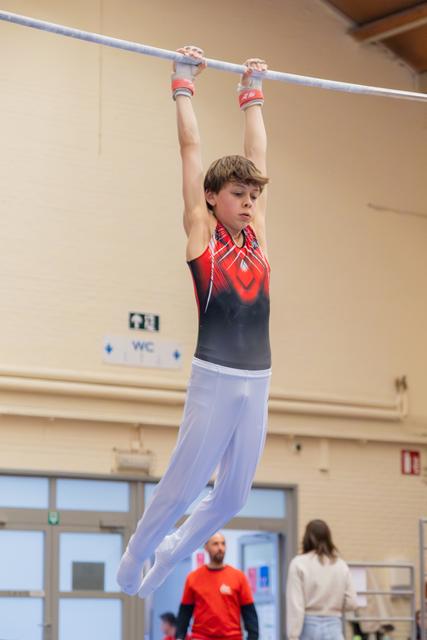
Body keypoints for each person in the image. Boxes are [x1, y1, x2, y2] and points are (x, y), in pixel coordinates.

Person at [117, 45, 271, 599]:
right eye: (238, 194)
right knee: (183, 488)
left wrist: (251, 94)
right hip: (215, 377)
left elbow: (256, 156)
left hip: (259, 381)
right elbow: (191, 150)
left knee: (233, 498)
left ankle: (168, 558)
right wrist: (183, 83)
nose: (249, 202)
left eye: (254, 195)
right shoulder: (202, 238)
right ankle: (136, 553)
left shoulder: (257, 236)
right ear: (211, 199)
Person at [176, 532, 259, 640]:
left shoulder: (239, 577)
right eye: (215, 544)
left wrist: (253, 637)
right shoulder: (193, 578)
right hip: (201, 636)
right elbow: (185, 613)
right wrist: (179, 637)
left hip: (232, 637)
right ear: (206, 547)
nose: (220, 548)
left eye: (223, 544)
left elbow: (249, 613)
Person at [286, 519, 359, 640]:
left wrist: (293, 635)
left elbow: (296, 605)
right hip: (334, 625)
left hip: (308, 626)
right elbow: (352, 603)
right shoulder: (341, 565)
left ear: (306, 538)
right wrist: (335, 607)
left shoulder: (298, 563)